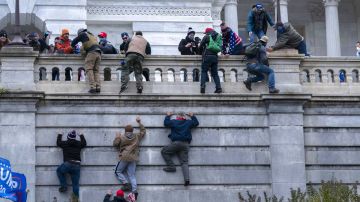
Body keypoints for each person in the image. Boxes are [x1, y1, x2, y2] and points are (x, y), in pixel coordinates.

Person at [161, 112, 199, 186]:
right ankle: (187, 180)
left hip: (176, 143)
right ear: (184, 117)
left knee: (164, 151)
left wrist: (168, 116)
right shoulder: (188, 122)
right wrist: (192, 116)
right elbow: (196, 123)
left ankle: (171, 166)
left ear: (177, 116)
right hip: (185, 144)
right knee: (184, 162)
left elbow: (166, 123)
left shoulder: (174, 122)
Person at [113, 116, 146, 200]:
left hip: (124, 157)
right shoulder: (136, 136)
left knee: (117, 171)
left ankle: (126, 184)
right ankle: (135, 192)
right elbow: (143, 131)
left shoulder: (122, 137)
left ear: (125, 131)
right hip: (133, 158)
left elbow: (115, 144)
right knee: (132, 175)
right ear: (132, 131)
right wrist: (139, 122)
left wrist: (117, 136)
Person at [56, 130, 87, 202]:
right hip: (77, 165)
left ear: (68, 137)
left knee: (59, 171)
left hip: (68, 164)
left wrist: (60, 134)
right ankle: (75, 200)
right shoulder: (78, 144)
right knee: (75, 185)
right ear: (75, 138)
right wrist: (81, 135)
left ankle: (64, 186)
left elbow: (58, 143)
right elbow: (84, 143)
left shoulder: (65, 143)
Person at [71, 28, 102, 93]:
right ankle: (98, 87)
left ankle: (93, 87)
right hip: (99, 53)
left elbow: (73, 42)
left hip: (92, 52)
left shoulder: (82, 34)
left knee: (89, 69)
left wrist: (73, 47)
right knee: (96, 70)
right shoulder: (92, 36)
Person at [198, 28, 223, 94]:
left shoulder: (207, 36)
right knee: (215, 74)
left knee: (204, 71)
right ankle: (218, 88)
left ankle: (203, 86)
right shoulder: (218, 36)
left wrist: (200, 53)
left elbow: (200, 46)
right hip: (215, 57)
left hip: (207, 56)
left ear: (207, 32)